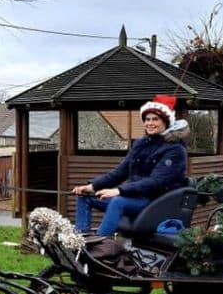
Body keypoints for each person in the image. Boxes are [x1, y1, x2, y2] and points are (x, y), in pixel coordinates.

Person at [72, 94, 189, 238]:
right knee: (85, 197)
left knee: (117, 202)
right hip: (134, 196)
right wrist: (92, 186)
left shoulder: (175, 150)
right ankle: (79, 240)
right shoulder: (141, 144)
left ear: (166, 122)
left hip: (155, 201)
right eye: (147, 119)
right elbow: (120, 171)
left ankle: (99, 246)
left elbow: (156, 182)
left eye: (155, 119)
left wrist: (119, 191)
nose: (150, 123)